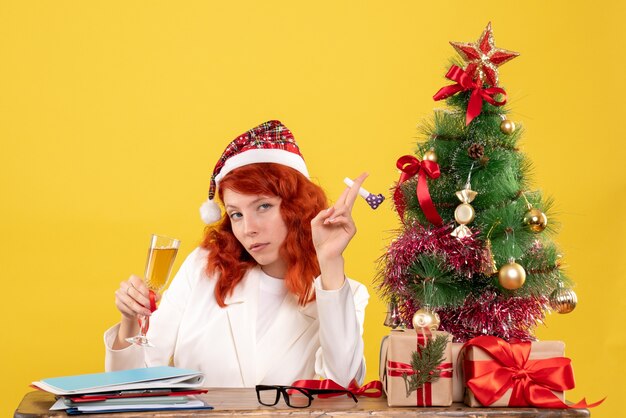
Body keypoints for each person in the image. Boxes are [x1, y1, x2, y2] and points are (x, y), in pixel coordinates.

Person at [104, 120, 370, 388]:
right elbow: (129, 384)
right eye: (236, 214)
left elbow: (345, 385)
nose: (248, 229)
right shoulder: (203, 268)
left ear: (297, 207)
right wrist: (130, 321)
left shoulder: (344, 294)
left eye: (263, 206)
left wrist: (330, 261)